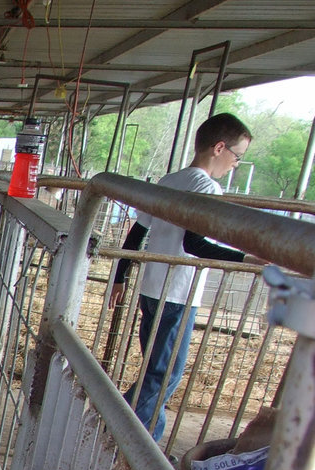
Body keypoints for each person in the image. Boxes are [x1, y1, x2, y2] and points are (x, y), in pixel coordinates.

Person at [111, 112, 265, 444]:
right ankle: (120, 434)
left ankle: (142, 435)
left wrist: (120, 276)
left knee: (157, 370)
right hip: (178, 293)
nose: (236, 164)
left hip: (153, 289)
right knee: (164, 375)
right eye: (237, 156)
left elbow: (137, 231)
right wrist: (248, 259)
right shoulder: (206, 187)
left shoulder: (171, 180)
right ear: (219, 147)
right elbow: (194, 243)